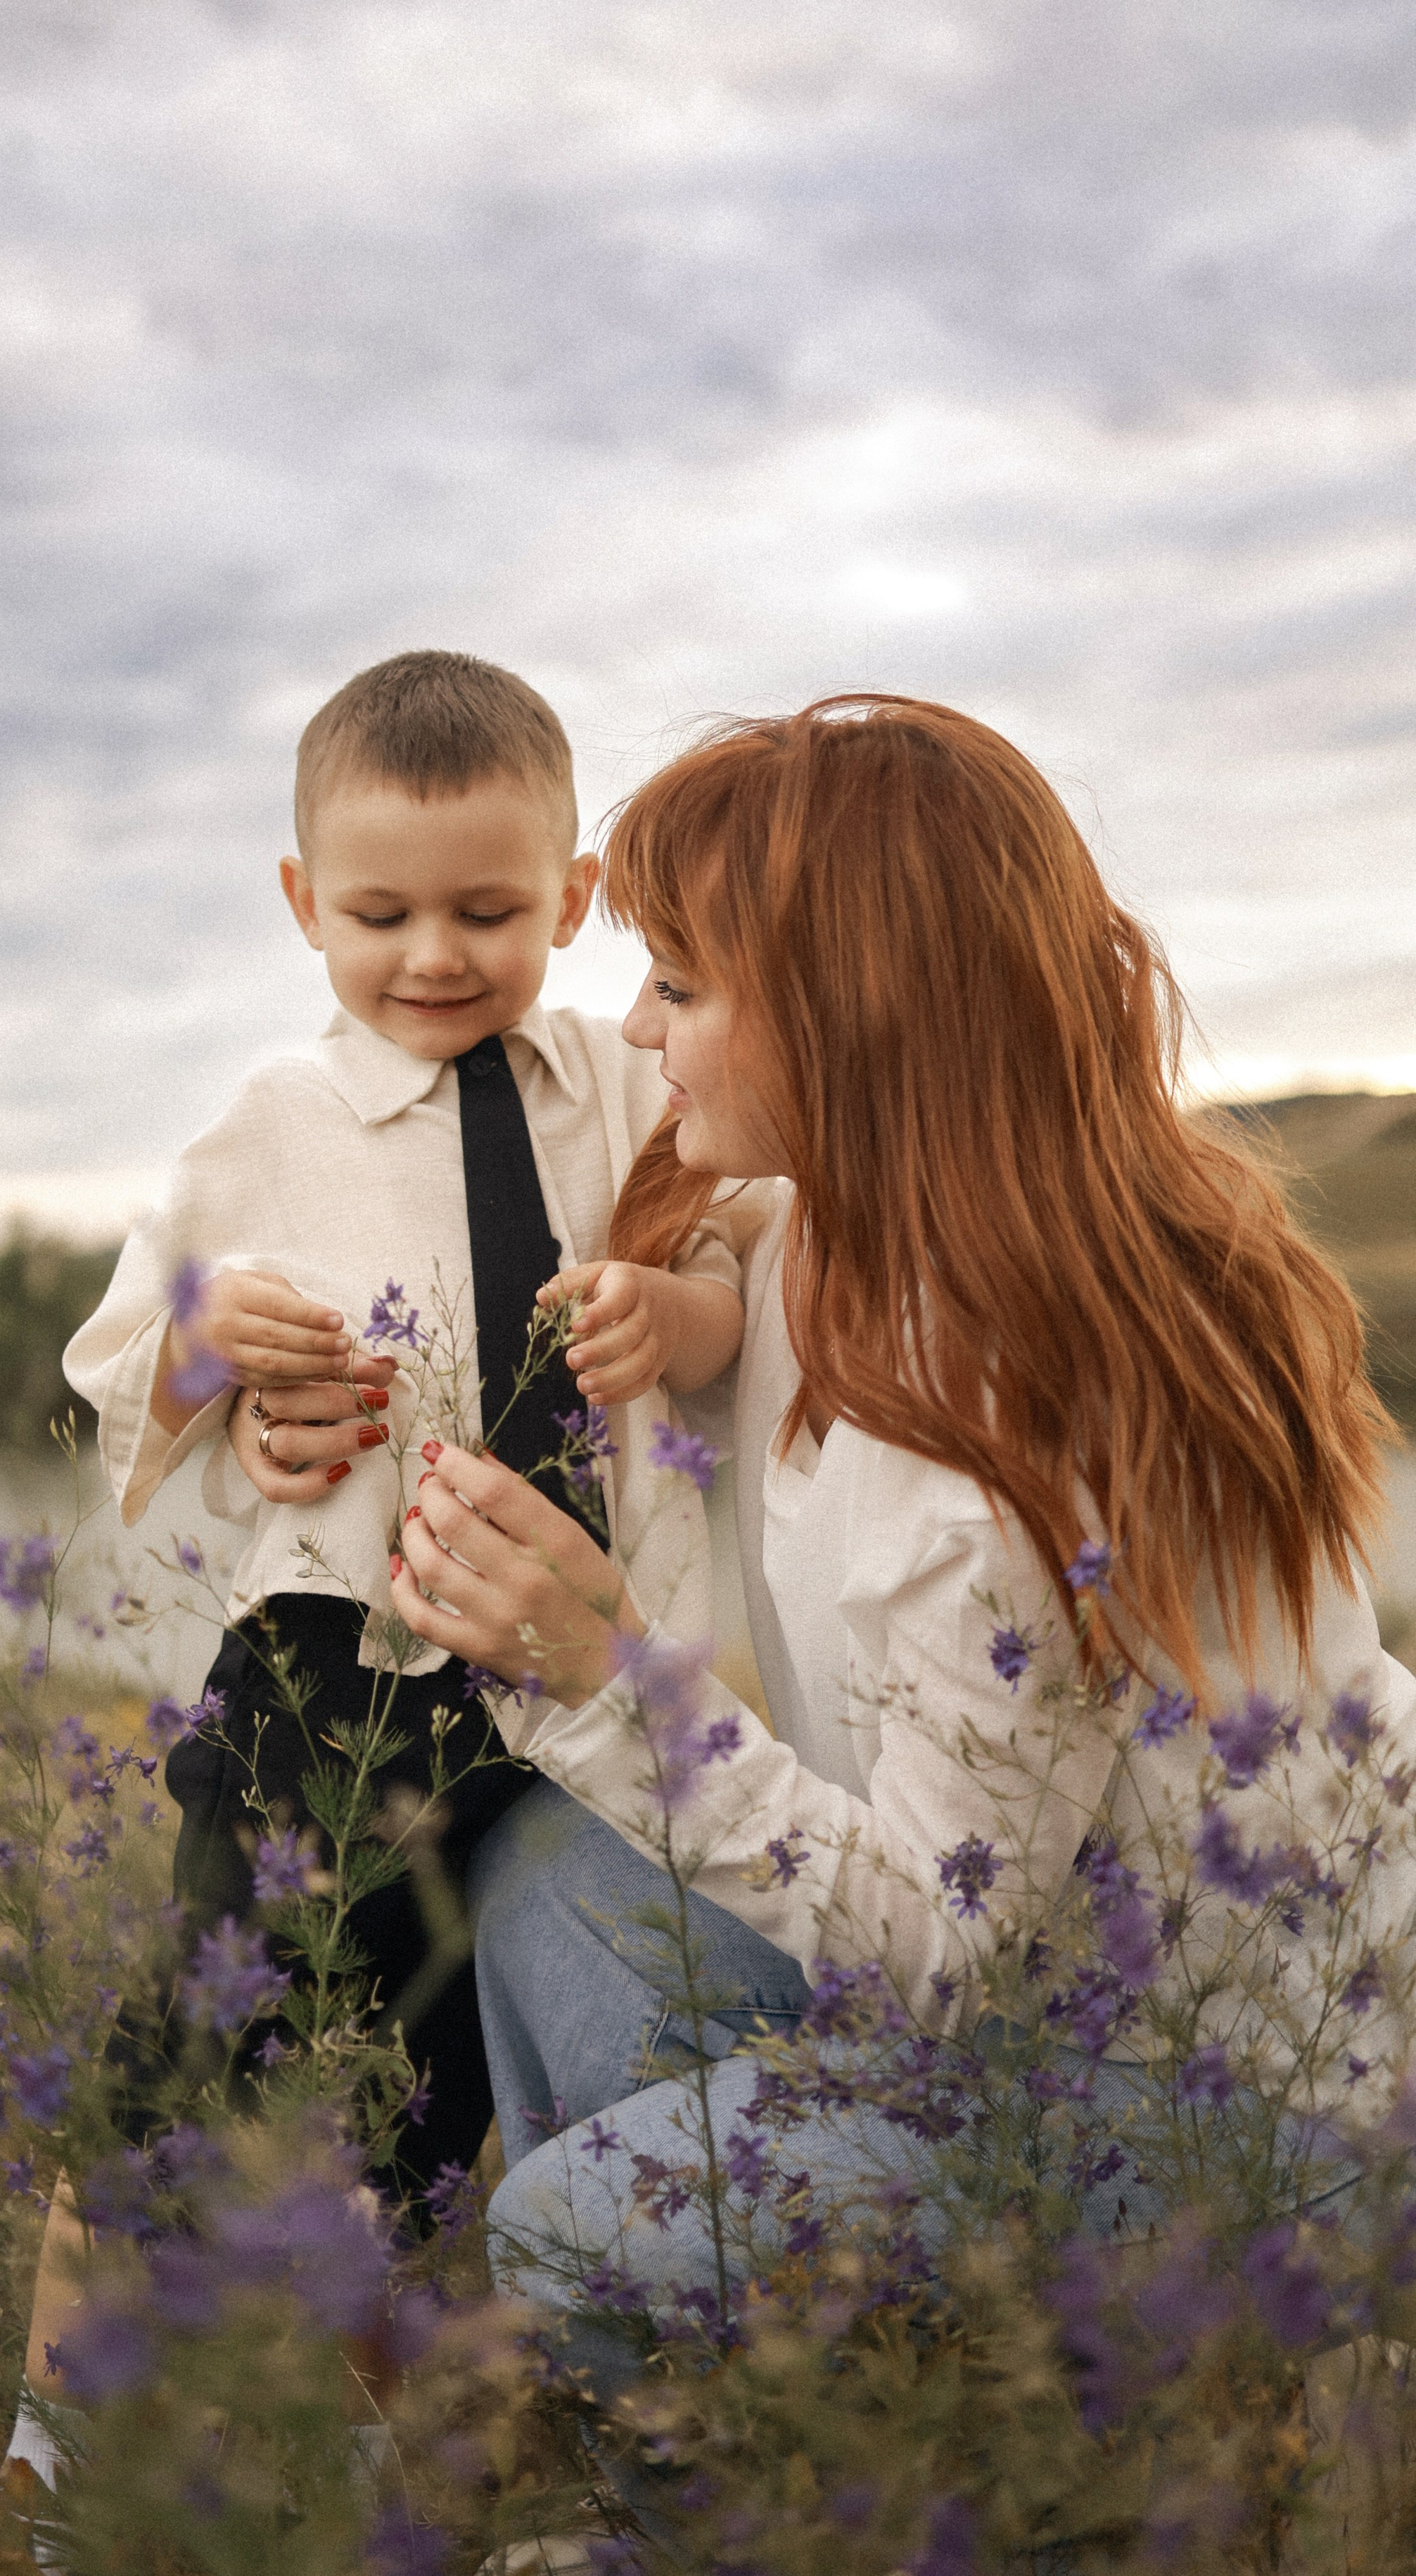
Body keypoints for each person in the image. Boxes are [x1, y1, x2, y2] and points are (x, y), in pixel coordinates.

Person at [362, 692, 1415, 2357]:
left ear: (845, 1017)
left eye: (679, 986)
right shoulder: (832, 1226)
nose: (632, 1026)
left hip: (1244, 2089)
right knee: (547, 1872)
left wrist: (604, 1674)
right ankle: (789, 2375)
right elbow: (703, 1258)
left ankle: (845, 2417)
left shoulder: (1003, 1407)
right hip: (1034, 1986)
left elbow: (945, 1950)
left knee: (576, 2225)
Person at [6, 652, 755, 2502]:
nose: (433, 955)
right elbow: (119, 1363)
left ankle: (352, 2445)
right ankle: (54, 2451)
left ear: (572, 898)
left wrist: (670, 1317)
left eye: (487, 912)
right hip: (331, 1667)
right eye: (379, 915)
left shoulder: (623, 1084)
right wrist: (214, 1350)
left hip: (558, 1674)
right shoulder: (276, 1118)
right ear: (301, 904)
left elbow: (729, 1262)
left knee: (410, 2093)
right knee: (207, 2035)